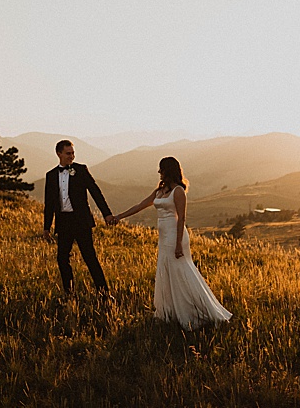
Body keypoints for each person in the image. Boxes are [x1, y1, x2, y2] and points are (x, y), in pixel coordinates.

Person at [108, 157, 233, 329]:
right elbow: (140, 205)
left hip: (176, 236)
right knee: (166, 271)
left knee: (181, 271)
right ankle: (170, 311)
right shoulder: (159, 191)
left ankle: (196, 310)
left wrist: (178, 244)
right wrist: (119, 217)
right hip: (164, 237)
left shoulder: (178, 192)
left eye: (161, 169)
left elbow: (181, 218)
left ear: (169, 170)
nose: (159, 173)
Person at [42, 139, 115, 299]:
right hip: (63, 222)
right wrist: (46, 227)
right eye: (68, 153)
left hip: (81, 221)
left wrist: (107, 213)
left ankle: (104, 294)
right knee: (62, 259)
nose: (71, 156)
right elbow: (49, 203)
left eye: (73, 153)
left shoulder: (81, 170)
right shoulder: (51, 175)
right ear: (59, 153)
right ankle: (70, 294)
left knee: (90, 258)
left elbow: (95, 192)